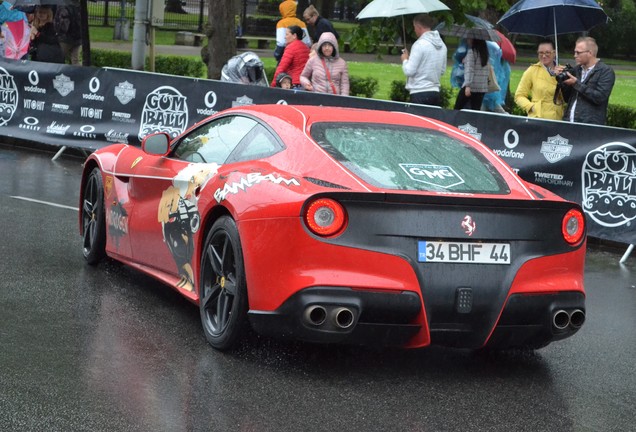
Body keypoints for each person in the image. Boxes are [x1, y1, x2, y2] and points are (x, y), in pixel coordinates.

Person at [556, 36, 615, 125]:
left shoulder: (606, 71)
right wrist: (563, 81)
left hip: (590, 126)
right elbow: (567, 99)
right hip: (569, 122)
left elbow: (599, 98)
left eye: (578, 53)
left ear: (590, 53)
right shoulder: (576, 70)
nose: (575, 55)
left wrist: (576, 83)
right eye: (575, 52)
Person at [400, 14, 447, 106]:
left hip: (419, 92)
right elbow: (442, 71)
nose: (414, 30)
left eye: (414, 27)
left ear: (418, 27)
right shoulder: (442, 45)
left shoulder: (419, 45)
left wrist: (405, 60)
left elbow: (409, 71)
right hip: (435, 92)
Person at [514, 40, 564, 120]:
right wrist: (531, 107)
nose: (544, 56)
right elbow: (519, 96)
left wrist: (559, 77)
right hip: (538, 117)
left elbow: (567, 97)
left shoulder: (563, 71)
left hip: (557, 118)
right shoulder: (532, 70)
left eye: (547, 52)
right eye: (541, 53)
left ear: (554, 53)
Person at [454, 38, 489, 110]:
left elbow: (470, 70)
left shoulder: (471, 52)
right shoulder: (485, 53)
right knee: (475, 112)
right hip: (482, 87)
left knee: (457, 109)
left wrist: (468, 85)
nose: (467, 40)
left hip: (471, 86)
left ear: (474, 40)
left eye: (469, 38)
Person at [482, 40, 509, 114]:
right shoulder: (501, 64)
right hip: (491, 92)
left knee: (482, 110)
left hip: (487, 92)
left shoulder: (492, 60)